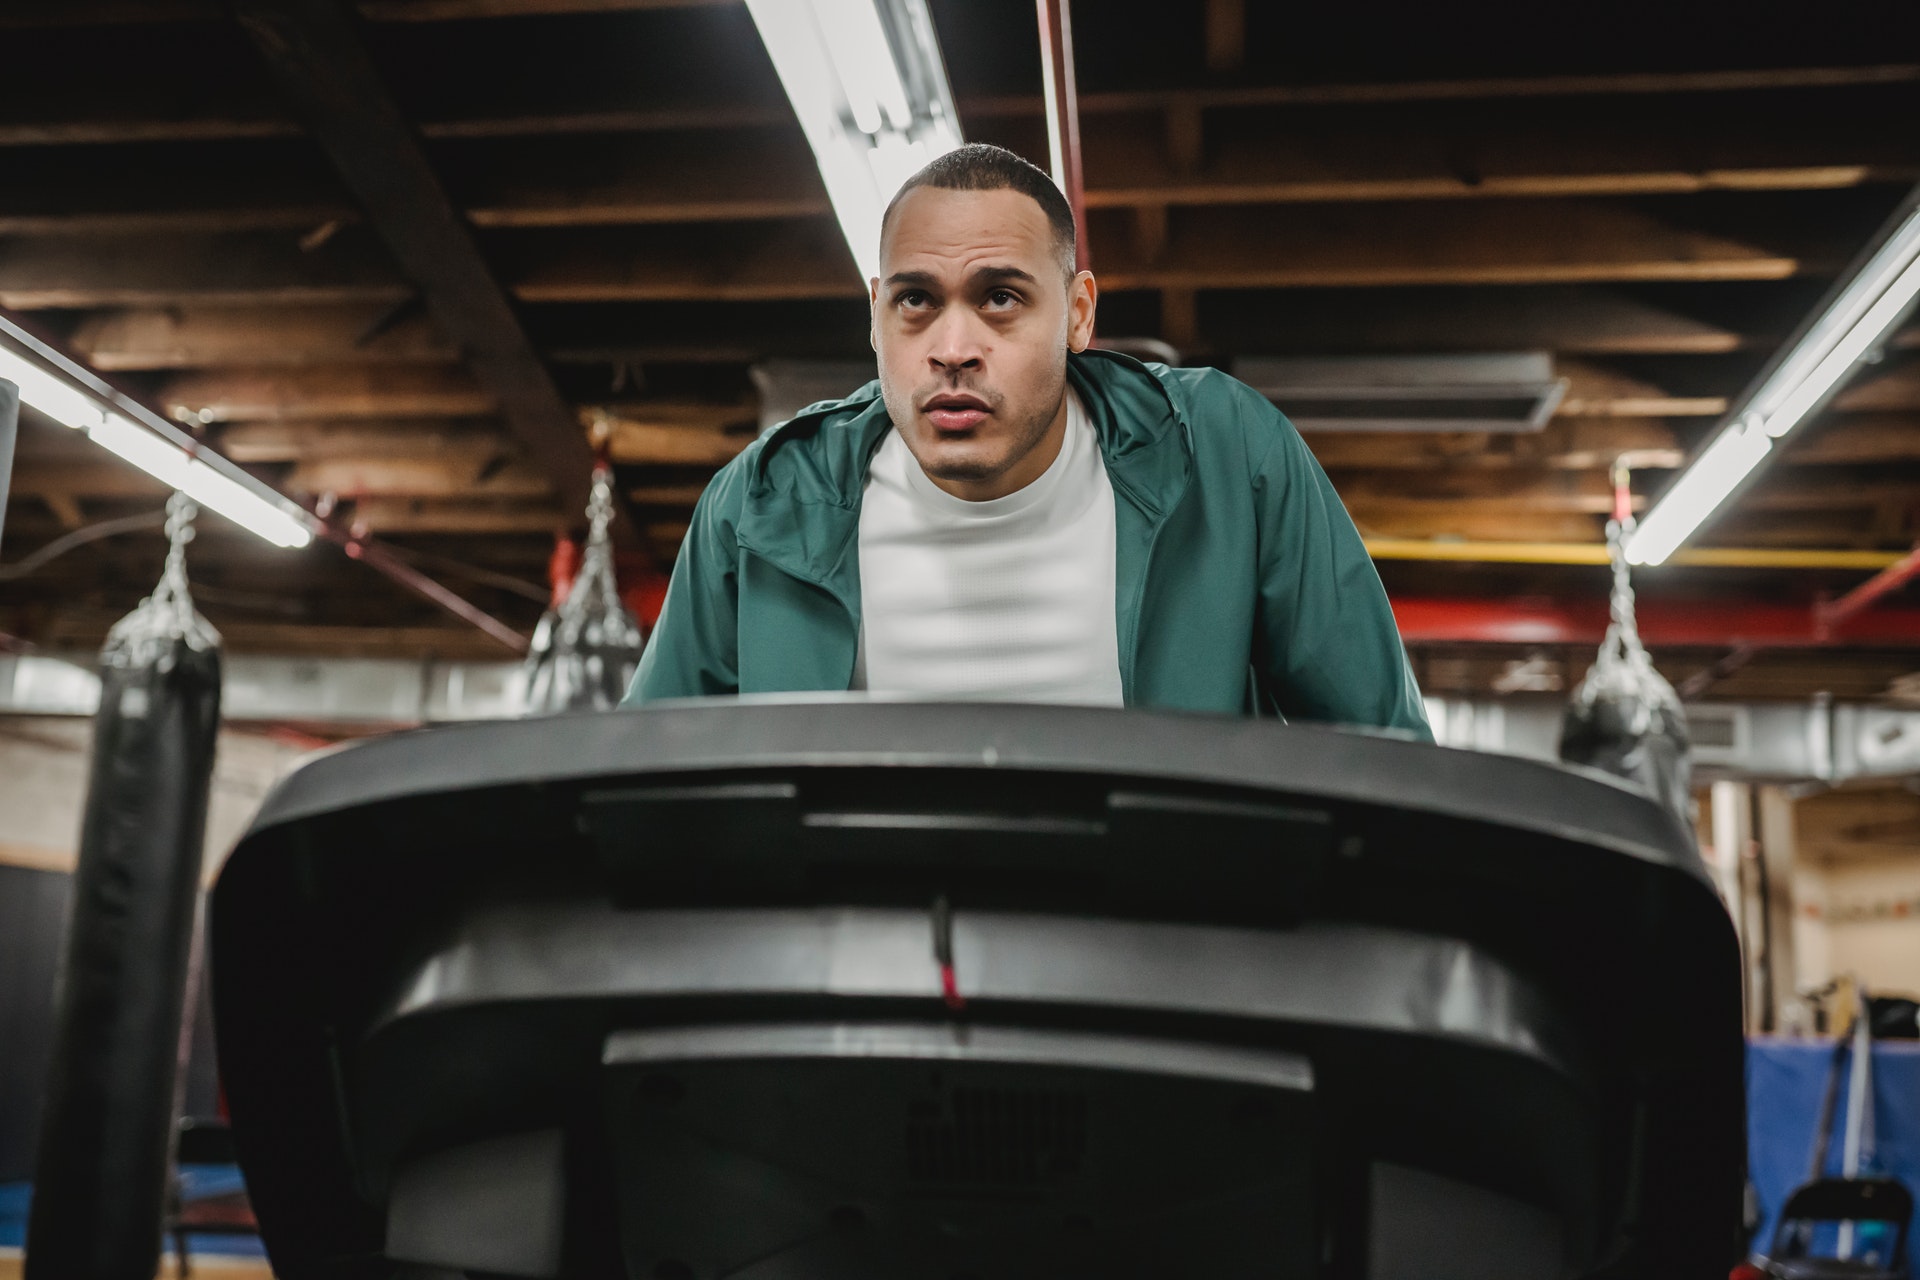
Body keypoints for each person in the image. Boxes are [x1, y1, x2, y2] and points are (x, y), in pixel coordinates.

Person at [624, 143, 1430, 737]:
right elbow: (645, 791)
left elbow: (1386, 752)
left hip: (1159, 955)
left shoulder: (1226, 454)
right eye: (915, 301)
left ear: (1078, 314)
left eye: (1001, 297)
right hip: (861, 955)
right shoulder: (763, 503)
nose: (952, 347)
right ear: (874, 315)